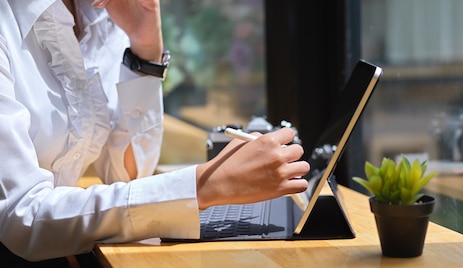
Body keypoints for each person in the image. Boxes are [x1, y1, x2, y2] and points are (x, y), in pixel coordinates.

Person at [0, 0, 310, 263]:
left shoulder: (101, 14)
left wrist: (146, 47)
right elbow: (20, 217)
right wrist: (204, 186)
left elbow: (125, 175)